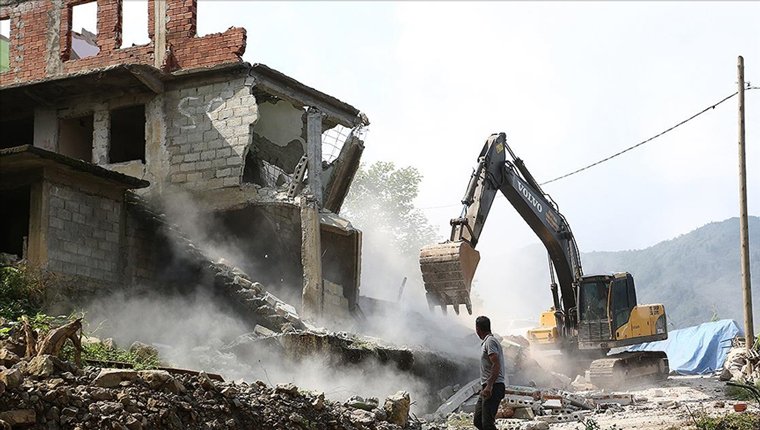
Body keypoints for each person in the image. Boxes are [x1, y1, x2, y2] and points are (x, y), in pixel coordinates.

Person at [474, 315, 506, 430]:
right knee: (478, 421)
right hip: (487, 387)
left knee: (487, 424)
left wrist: (489, 386)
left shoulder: (490, 342)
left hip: (494, 387)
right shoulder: (487, 342)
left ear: (478, 329)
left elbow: (496, 364)